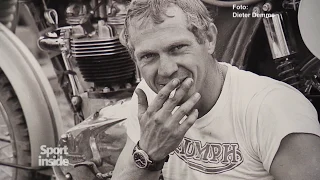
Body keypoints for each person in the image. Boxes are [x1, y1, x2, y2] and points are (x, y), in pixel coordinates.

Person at [112, 0, 320, 179]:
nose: (166, 71)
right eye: (148, 56)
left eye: (177, 48)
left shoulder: (271, 108)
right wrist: (148, 154)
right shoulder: (149, 98)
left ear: (209, 39)